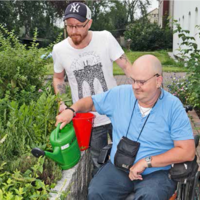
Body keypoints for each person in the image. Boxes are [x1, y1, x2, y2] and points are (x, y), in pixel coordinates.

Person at [55, 55, 195, 200]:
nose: (135, 86)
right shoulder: (121, 94)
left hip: (156, 173)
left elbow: (187, 151)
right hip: (120, 167)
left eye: (141, 82)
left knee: (149, 197)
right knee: (97, 192)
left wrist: (146, 161)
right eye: (133, 80)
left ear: (158, 81)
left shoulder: (173, 107)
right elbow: (90, 102)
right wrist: (71, 110)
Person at [52, 2, 131, 169]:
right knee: (97, 161)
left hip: (117, 111)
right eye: (69, 26)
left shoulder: (105, 38)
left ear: (89, 23)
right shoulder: (59, 49)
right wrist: (61, 102)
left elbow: (126, 66)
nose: (74, 31)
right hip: (89, 118)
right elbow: (58, 78)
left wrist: (143, 87)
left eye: (79, 26)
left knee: (128, 156)